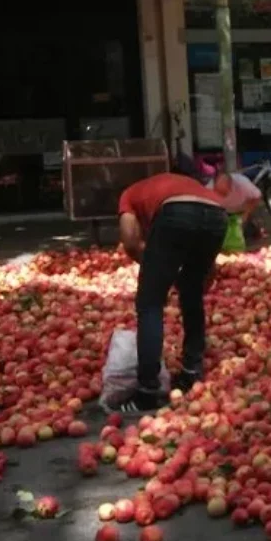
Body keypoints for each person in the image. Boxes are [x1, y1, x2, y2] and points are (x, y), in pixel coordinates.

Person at [111, 172, 228, 413]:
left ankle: (147, 392)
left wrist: (155, 274)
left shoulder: (128, 196)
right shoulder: (171, 184)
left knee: (150, 302)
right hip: (217, 214)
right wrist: (195, 279)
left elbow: (131, 241)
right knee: (191, 294)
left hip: (177, 214)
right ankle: (192, 373)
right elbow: (206, 268)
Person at [208, 167, 264, 236]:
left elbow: (257, 197)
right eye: (218, 192)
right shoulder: (208, 189)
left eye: (223, 193)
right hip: (223, 211)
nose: (221, 196)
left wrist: (246, 214)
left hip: (242, 207)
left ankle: (253, 226)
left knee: (247, 232)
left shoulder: (243, 185)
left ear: (230, 187)